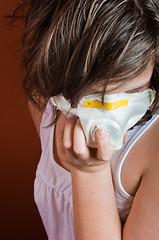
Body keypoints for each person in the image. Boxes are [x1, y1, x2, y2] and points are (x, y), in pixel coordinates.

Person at [13, 0, 159, 239]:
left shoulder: (155, 148)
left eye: (134, 92)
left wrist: (90, 173)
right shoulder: (45, 102)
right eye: (95, 99)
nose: (114, 114)